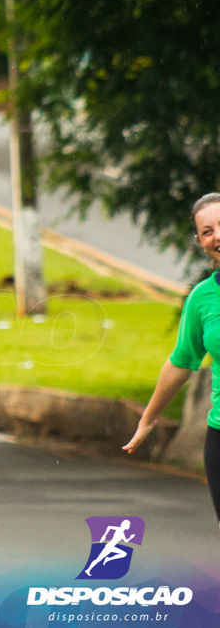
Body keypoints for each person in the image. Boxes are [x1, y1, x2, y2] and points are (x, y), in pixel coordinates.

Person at [124, 191, 220, 532]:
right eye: (207, 231)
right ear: (200, 241)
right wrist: (149, 419)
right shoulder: (202, 298)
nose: (217, 236)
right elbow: (181, 362)